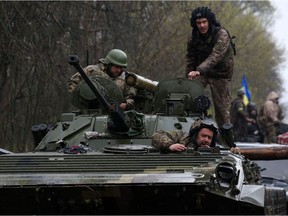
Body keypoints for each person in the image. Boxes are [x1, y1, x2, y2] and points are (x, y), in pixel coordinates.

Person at [185, 6, 234, 128]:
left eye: (204, 22)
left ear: (210, 21)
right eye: (198, 23)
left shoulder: (221, 34)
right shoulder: (193, 38)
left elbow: (216, 56)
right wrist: (187, 78)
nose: (201, 26)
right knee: (188, 98)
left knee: (222, 110)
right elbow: (190, 58)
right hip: (202, 73)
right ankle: (192, 132)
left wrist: (198, 70)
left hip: (220, 74)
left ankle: (228, 143)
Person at [67, 49, 136, 110]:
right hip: (88, 111)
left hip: (114, 114)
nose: (118, 70)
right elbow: (72, 82)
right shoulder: (91, 70)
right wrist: (82, 94)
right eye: (116, 67)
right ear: (109, 64)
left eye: (121, 67)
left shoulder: (126, 79)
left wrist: (126, 105)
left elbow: (131, 98)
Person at [151, 118, 218, 153]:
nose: (206, 140)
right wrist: (170, 145)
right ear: (196, 134)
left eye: (209, 137)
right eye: (203, 136)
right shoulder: (182, 137)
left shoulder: (215, 150)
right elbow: (157, 135)